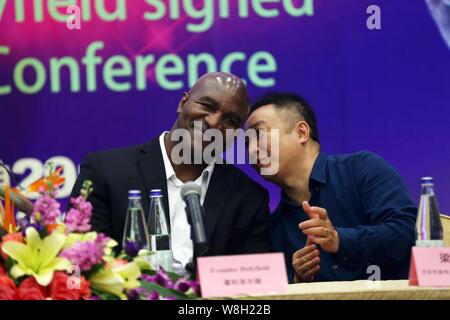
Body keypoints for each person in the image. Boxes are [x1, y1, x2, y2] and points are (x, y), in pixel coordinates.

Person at [70, 72, 271, 275]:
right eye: (208, 106)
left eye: (230, 120)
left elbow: (256, 285)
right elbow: (82, 265)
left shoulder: (249, 198)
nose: (213, 122)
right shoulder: (106, 171)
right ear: (182, 103)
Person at [245, 92, 417, 283]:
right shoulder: (273, 227)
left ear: (301, 132)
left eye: (259, 134)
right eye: (247, 142)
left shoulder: (362, 169)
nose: (252, 150)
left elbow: (407, 232)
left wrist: (339, 240)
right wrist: (297, 279)